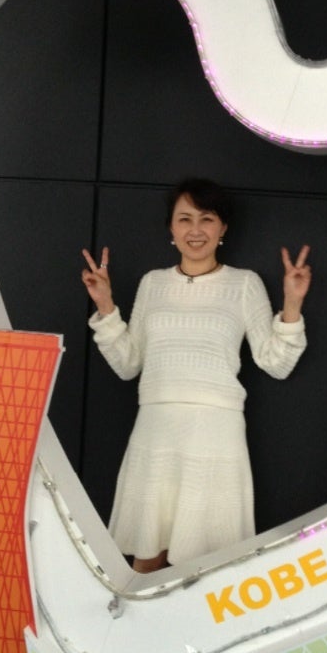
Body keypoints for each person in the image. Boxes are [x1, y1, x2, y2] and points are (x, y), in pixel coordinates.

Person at [81, 178, 311, 573]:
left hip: (214, 435)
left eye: (207, 219)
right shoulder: (152, 283)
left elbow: (276, 363)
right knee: (146, 558)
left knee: (208, 567)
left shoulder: (244, 283)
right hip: (156, 429)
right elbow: (128, 364)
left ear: (223, 228)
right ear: (171, 228)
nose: (195, 230)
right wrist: (105, 306)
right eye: (184, 219)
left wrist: (292, 303)